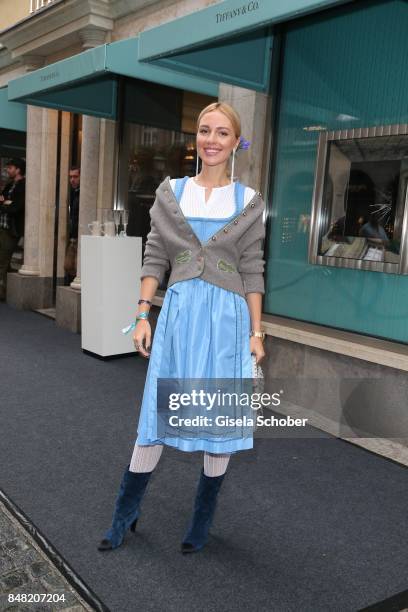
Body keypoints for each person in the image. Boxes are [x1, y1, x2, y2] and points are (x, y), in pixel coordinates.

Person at [98, 102, 267, 554]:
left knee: (218, 420)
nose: (211, 140)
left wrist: (256, 332)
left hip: (228, 322)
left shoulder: (248, 201)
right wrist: (141, 313)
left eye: (222, 133)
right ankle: (124, 513)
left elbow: (252, 269)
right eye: (204, 131)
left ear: (236, 143)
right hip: (178, 316)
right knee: (155, 415)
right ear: (197, 139)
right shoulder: (169, 192)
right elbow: (155, 255)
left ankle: (201, 519)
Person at [0, 158, 26, 301]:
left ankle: (2, 292)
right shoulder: (9, 184)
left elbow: (16, 208)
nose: (7, 170)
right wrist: (5, 203)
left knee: (2, 260)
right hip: (2, 226)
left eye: (10, 168)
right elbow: (1, 199)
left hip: (11, 229)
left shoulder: (23, 186)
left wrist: (5, 204)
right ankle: (8, 289)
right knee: (4, 261)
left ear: (18, 170)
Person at [64, 166, 80, 285]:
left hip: (79, 235)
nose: (72, 180)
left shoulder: (80, 193)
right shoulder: (72, 193)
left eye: (75, 176)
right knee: (69, 265)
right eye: (70, 177)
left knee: (74, 266)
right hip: (72, 235)